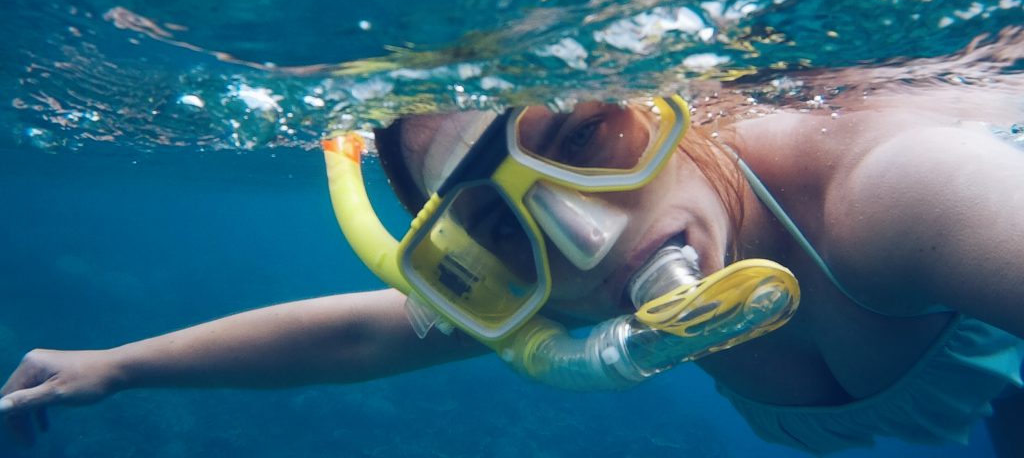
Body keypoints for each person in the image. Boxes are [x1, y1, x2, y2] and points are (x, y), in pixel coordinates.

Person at [2, 80, 1022, 455]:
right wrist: (118, 365)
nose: (591, 238)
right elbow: (377, 329)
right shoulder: (544, 284)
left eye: (586, 137)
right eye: (494, 225)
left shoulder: (891, 191)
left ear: (662, 94)